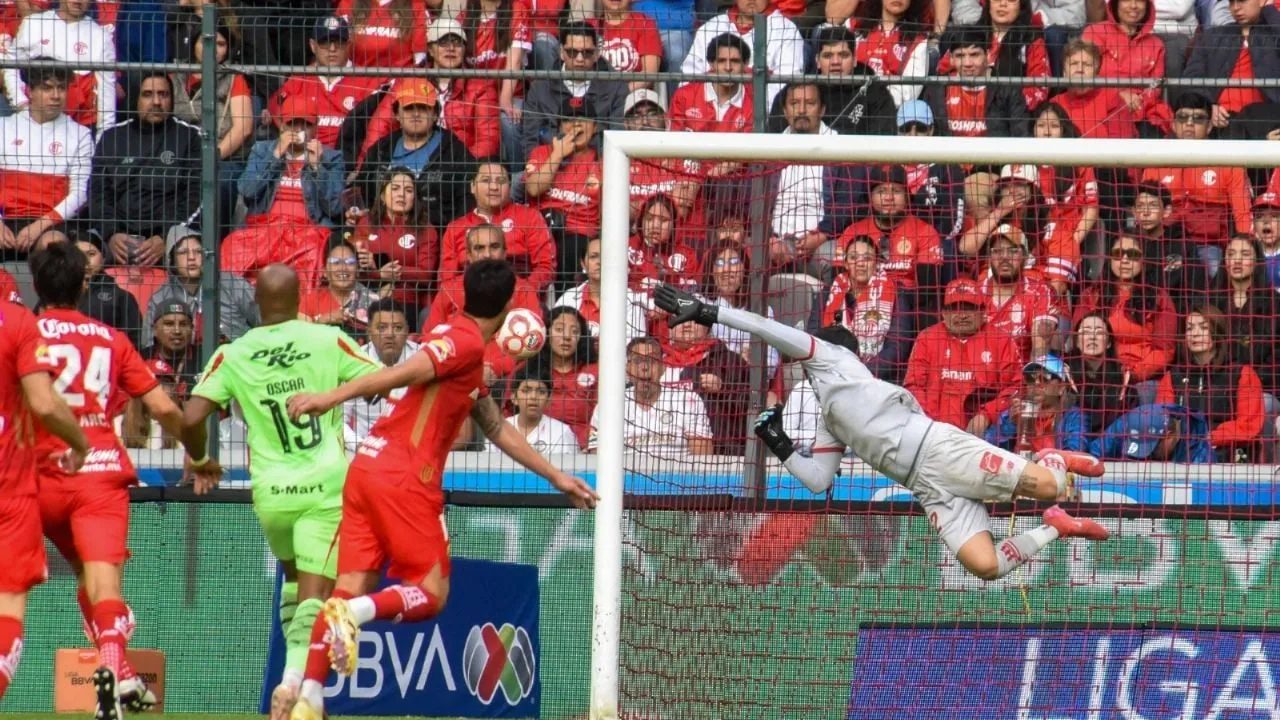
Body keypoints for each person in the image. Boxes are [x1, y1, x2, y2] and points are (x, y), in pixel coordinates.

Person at [282, 259, 598, 720]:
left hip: (369, 469)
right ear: (510, 307)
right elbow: (407, 372)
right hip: (405, 477)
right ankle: (355, 617)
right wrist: (328, 397)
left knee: (347, 590)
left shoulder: (465, 346)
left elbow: (492, 424)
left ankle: (309, 698)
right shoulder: (463, 342)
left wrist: (556, 476)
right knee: (431, 594)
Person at [653, 282, 1109, 582]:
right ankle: (1055, 529)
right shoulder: (829, 415)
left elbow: (767, 328)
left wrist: (711, 312)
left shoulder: (833, 358)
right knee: (985, 565)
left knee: (1050, 484)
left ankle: (1059, 457)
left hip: (939, 449)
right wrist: (781, 442)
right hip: (926, 486)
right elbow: (818, 481)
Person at [179, 264, 383, 720]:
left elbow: (191, 418)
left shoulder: (234, 352)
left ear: (256, 304)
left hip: (271, 493)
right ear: (300, 301)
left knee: (294, 584)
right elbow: (375, 381)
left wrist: (200, 460)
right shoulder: (326, 340)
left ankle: (303, 691)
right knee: (317, 595)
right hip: (324, 487)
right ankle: (293, 688)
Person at [31, 242, 208, 718]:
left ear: (35, 284)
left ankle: (124, 675)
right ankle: (113, 668)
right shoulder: (112, 339)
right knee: (106, 589)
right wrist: (200, 455)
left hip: (38, 477)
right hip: (99, 474)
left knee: (75, 587)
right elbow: (166, 410)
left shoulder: (21, 334)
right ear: (85, 284)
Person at [0, 289, 90, 703]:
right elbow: (43, 402)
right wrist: (80, 442)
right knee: (7, 607)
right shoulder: (17, 321)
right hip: (9, 490)